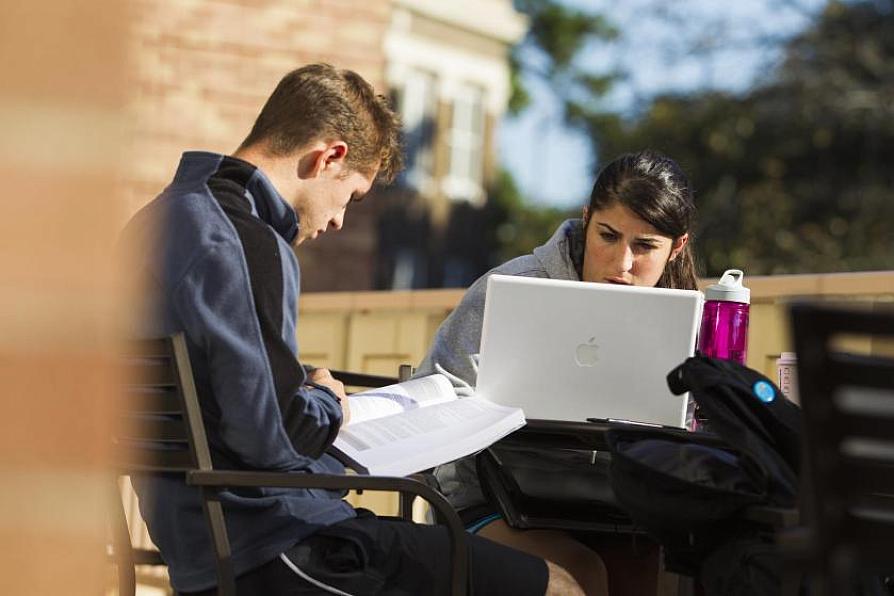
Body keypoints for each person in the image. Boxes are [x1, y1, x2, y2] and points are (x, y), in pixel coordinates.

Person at [123, 64, 583, 596]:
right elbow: (272, 437)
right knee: (558, 586)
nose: (340, 220)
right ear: (330, 156)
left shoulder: (161, 218)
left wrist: (302, 391)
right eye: (353, 196)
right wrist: (327, 404)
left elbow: (223, 395)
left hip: (206, 539)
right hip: (277, 546)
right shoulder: (244, 241)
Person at [415, 149, 699, 594]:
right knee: (579, 573)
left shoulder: (687, 319)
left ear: (677, 246)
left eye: (644, 247)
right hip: (488, 502)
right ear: (587, 221)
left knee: (675, 570)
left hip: (619, 508)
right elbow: (432, 396)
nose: (622, 264)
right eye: (608, 236)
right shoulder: (511, 288)